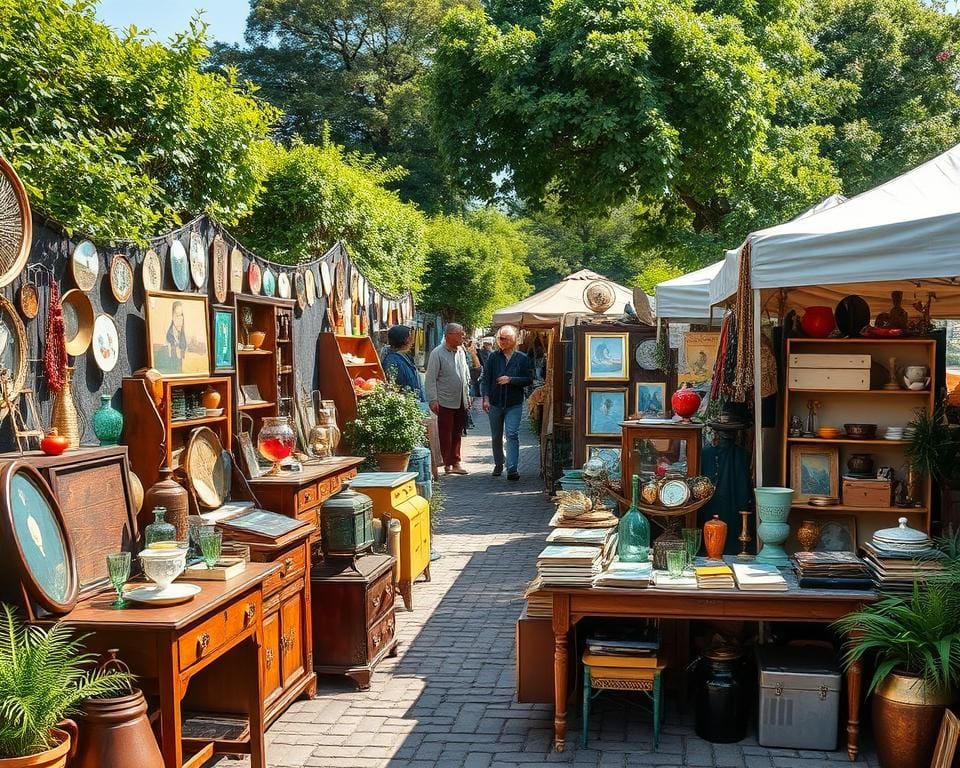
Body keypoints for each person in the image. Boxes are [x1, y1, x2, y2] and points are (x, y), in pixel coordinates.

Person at [481, 324, 532, 480]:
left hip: (514, 403)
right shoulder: (493, 357)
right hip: (495, 402)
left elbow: (528, 379)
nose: (501, 341)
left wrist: (511, 380)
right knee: (496, 435)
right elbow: (486, 379)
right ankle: (498, 464)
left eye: (504, 338)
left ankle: (512, 468)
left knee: (512, 434)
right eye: (499, 338)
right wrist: (486, 398)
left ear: (513, 340)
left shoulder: (522, 358)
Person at [425, 322, 472, 475]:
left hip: (460, 399)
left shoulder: (461, 351)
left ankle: (456, 461)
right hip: (444, 399)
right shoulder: (437, 353)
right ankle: (447, 463)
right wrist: (433, 399)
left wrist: (468, 394)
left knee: (458, 431)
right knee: (446, 432)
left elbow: (465, 375)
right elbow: (430, 378)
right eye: (459, 334)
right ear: (449, 336)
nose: (462, 337)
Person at [382, 325, 424, 402]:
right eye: (410, 336)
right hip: (406, 404)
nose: (412, 340)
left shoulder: (405, 356)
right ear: (405, 340)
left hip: (413, 403)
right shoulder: (392, 361)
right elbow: (394, 387)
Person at [164, 301, 187, 373]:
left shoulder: (182, 336)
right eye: (177, 315)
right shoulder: (169, 336)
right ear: (172, 316)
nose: (179, 319)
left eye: (181, 315)